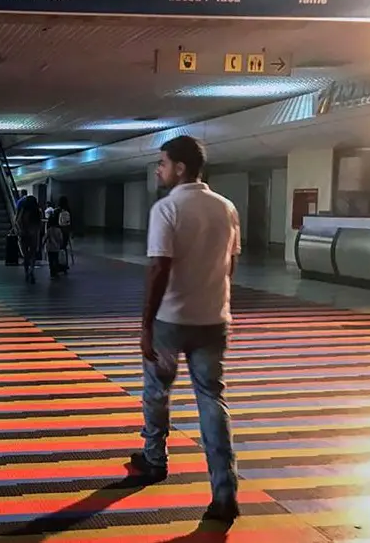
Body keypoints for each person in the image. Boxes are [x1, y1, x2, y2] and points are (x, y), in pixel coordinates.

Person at [129, 135, 242, 525]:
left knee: (157, 391)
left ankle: (155, 460)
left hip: (171, 322)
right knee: (212, 400)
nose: (158, 169)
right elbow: (231, 264)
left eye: (162, 163)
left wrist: (146, 325)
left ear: (180, 168)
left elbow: (159, 268)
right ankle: (224, 492)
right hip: (214, 321)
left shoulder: (167, 208)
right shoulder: (226, 208)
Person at [15, 192, 42, 283]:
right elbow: (39, 224)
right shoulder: (37, 211)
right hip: (34, 235)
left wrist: (21, 230)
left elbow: (17, 221)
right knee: (33, 254)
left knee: (25, 255)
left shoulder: (23, 210)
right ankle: (32, 270)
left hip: (24, 234)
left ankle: (26, 272)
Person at [44, 213, 64, 279]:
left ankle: (51, 272)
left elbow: (45, 238)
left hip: (49, 248)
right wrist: (61, 244)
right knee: (56, 260)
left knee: (50, 260)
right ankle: (56, 272)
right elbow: (61, 239)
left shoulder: (49, 230)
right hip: (56, 247)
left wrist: (42, 244)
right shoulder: (58, 230)